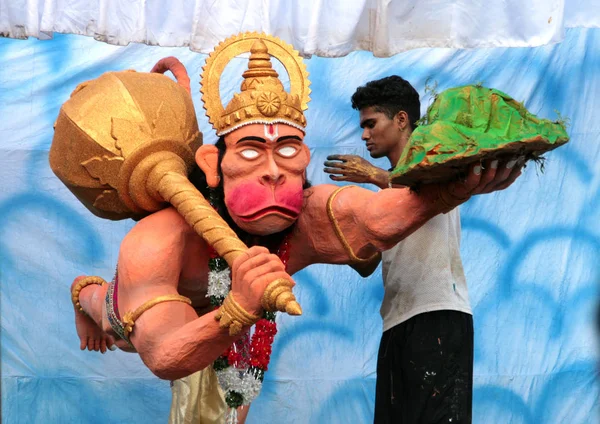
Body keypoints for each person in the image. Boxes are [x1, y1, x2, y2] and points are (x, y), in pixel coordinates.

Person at [69, 36, 521, 423]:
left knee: (234, 397)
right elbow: (162, 351)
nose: (272, 172)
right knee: (116, 318)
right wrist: (237, 308)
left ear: (305, 160)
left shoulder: (306, 214)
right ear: (214, 165)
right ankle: (82, 294)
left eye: (287, 149)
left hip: (243, 300)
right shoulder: (157, 238)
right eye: (249, 152)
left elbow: (373, 218)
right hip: (150, 312)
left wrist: (446, 194)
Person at [324, 75, 523, 423]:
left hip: (439, 316)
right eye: (363, 127)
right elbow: (368, 262)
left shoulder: (441, 164)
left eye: (371, 124)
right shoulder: (385, 193)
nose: (364, 135)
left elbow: (421, 186)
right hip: (396, 322)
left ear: (402, 120)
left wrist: (373, 176)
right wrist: (338, 233)